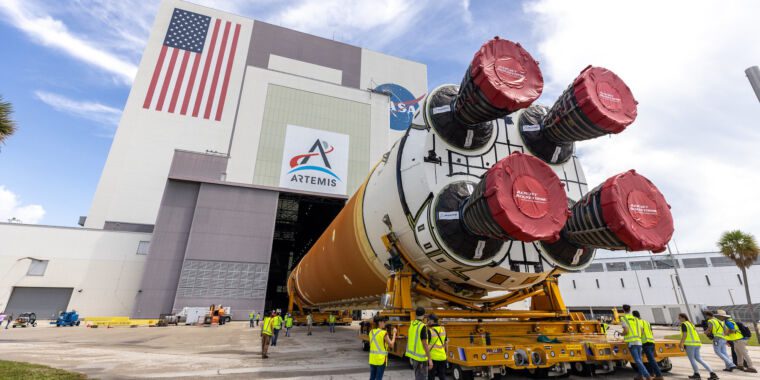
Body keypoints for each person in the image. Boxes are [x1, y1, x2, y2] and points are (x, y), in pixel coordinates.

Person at [679, 313, 719, 380]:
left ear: (683, 318)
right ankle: (712, 373)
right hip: (697, 343)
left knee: (692, 359)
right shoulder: (690, 324)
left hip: (690, 344)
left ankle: (696, 374)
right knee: (699, 359)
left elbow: (685, 334)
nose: (679, 319)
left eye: (679, 318)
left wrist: (681, 343)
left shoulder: (684, 324)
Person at [620, 304, 651, 380]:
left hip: (631, 342)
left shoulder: (624, 318)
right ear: (630, 310)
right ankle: (640, 376)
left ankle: (647, 375)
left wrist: (621, 334)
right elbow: (642, 331)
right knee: (639, 360)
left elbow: (626, 331)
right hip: (639, 341)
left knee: (637, 360)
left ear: (623, 310)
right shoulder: (636, 319)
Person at [633, 311, 663, 380]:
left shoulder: (638, 322)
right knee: (648, 359)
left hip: (645, 342)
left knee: (648, 360)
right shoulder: (646, 322)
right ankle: (645, 374)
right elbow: (651, 332)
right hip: (651, 341)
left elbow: (641, 332)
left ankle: (659, 375)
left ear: (634, 317)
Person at [405, 307, 433, 380]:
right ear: (424, 315)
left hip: (414, 356)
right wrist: (430, 359)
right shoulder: (422, 326)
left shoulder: (412, 324)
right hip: (421, 358)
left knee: (417, 376)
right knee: (422, 377)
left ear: (415, 314)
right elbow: (425, 344)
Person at [369, 316, 397, 380]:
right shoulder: (383, 333)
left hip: (372, 359)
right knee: (379, 378)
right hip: (380, 360)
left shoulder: (371, 332)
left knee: (372, 378)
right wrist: (394, 333)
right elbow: (391, 345)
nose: (384, 323)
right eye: (384, 322)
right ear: (379, 323)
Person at [426, 314, 446, 380]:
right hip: (443, 356)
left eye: (428, 320)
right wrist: (446, 354)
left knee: (431, 377)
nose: (427, 322)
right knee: (442, 376)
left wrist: (428, 359)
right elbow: (446, 344)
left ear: (431, 321)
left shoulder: (430, 331)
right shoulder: (443, 329)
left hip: (433, 357)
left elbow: (427, 346)